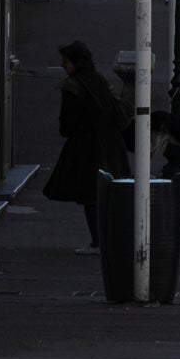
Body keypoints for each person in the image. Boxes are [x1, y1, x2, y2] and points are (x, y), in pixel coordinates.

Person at [41, 41, 130, 255]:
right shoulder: (98, 80)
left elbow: (67, 125)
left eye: (65, 62)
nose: (63, 66)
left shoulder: (72, 86)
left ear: (74, 62)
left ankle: (98, 242)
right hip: (112, 142)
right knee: (108, 191)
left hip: (87, 145)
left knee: (90, 194)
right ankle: (110, 238)